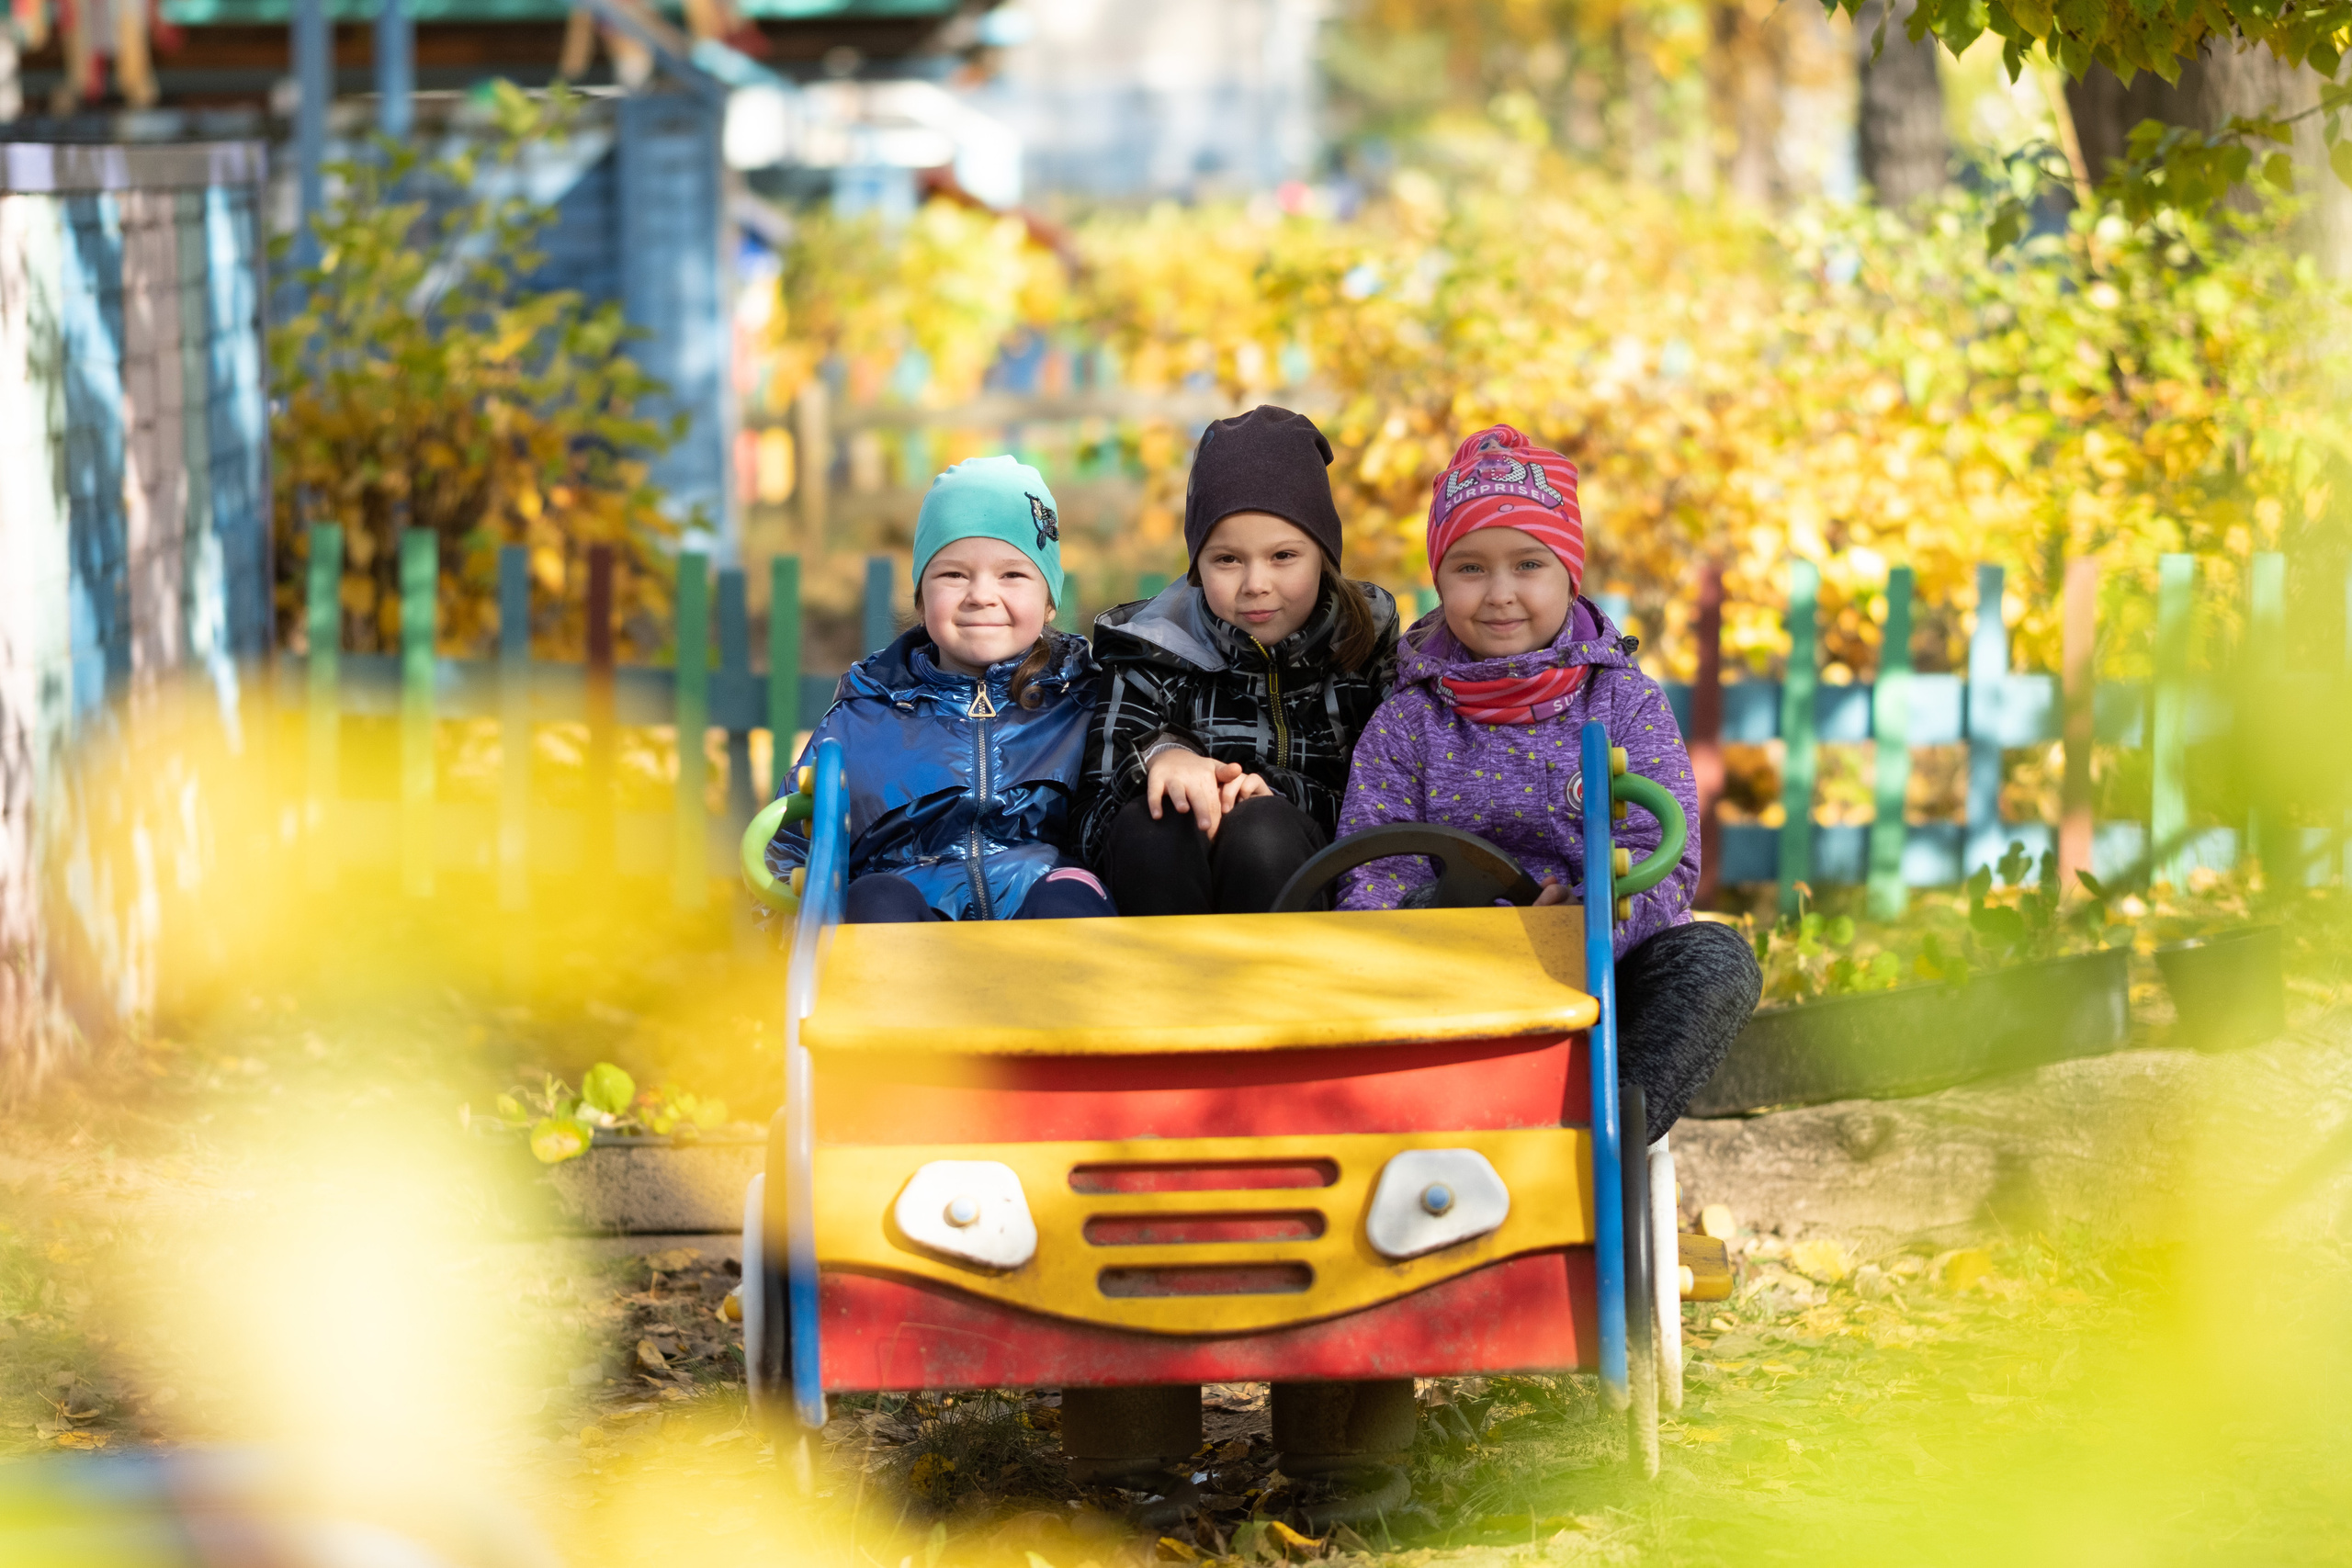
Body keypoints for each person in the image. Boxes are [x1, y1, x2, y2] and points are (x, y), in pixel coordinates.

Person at [1335, 423, 1758, 1134]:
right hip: (1456, 976)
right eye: (1470, 568)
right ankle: (1449, 1118)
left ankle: (1598, 1131)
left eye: (1527, 564)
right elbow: (1369, 878)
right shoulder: (1409, 721)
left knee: (1716, 961)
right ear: (1439, 577)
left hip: (1602, 964)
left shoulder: (1622, 700)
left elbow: (1667, 857)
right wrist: (1493, 938)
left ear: (1570, 572)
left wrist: (1578, 931)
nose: (1499, 593)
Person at [1077, 405, 1400, 915]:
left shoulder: (1364, 645)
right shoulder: (1151, 647)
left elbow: (1390, 807)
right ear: (1197, 565)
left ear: (1324, 555)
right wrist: (1162, 758)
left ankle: (1277, 992)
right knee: (1161, 819)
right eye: (1227, 559)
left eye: (1283, 557)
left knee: (1261, 828)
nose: (1256, 584)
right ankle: (1169, 989)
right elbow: (1091, 825)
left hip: (1307, 876)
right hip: (1172, 881)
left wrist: (1278, 791)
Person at [764, 455, 1112, 923]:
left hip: (1037, 908)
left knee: (1073, 897)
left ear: (1049, 602)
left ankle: (1072, 994)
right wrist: (781, 925)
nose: (981, 595)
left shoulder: (1085, 700)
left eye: (1013, 574)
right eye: (954, 574)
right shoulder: (866, 715)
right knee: (876, 899)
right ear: (921, 596)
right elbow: (793, 846)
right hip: (914, 922)